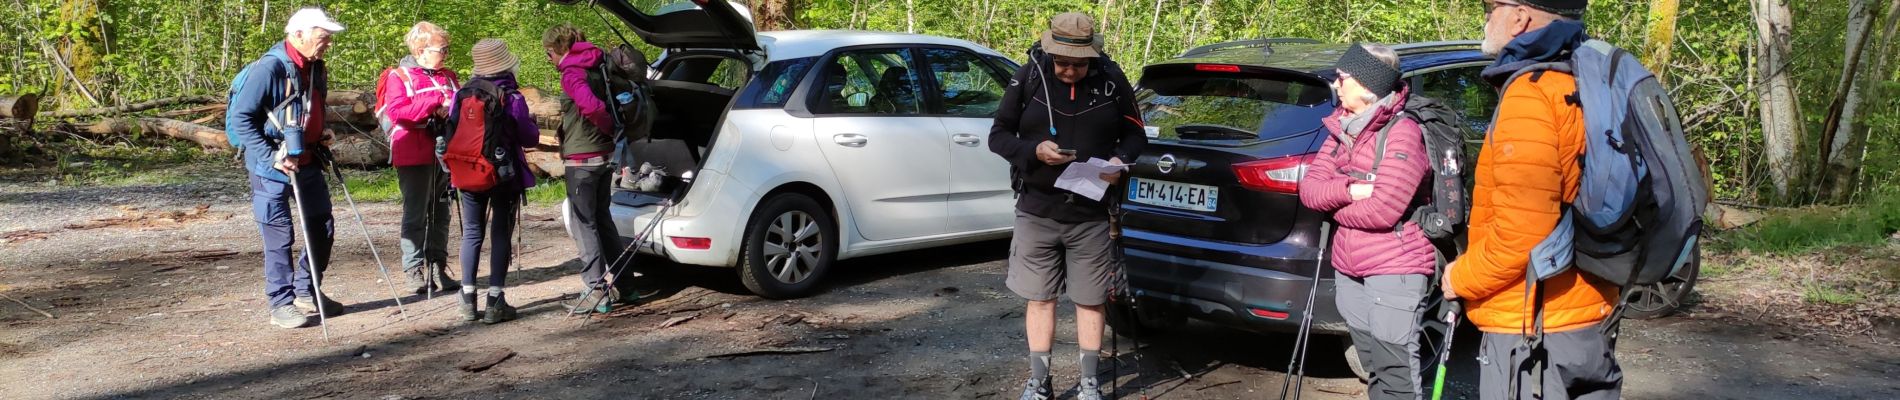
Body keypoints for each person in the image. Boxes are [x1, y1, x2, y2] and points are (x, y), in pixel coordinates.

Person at [1443, 1, 1623, 399]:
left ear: (1520, 17)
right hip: (1591, 309)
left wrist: (1459, 277)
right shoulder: (1588, 80)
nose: (1486, 18)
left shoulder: (1532, 93)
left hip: (1532, 325)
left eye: (1491, 8)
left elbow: (1520, 239)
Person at [988, 12, 1145, 400]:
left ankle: (1089, 383)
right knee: (1040, 299)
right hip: (1037, 210)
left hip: (1091, 214)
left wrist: (1118, 161)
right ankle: (1039, 381)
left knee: (1090, 302)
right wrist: (1032, 151)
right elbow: (998, 136)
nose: (1070, 70)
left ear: (1091, 56)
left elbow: (1136, 133)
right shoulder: (1029, 76)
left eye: (1078, 63)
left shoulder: (1111, 80)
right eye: (1063, 61)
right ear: (1050, 51)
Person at [1298, 43, 1436, 400]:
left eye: (1343, 78)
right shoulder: (1340, 131)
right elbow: (1310, 192)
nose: (1336, 84)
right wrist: (1350, 189)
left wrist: (1334, 205)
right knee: (1374, 366)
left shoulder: (1403, 132)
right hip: (1350, 265)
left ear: (1368, 85)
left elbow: (1383, 210)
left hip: (1396, 267)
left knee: (1397, 372)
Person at [226, 7, 345, 329]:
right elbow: (241, 118)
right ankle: (281, 303)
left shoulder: (316, 67)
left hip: (308, 160)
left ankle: (308, 290)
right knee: (279, 236)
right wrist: (270, 155)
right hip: (271, 168)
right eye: (323, 38)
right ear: (298, 35)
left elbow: (311, 107)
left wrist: (322, 131)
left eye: (329, 39)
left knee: (322, 226)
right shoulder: (268, 68)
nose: (327, 44)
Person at [543, 24, 632, 313]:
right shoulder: (599, 63)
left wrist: (606, 124)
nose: (549, 60)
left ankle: (596, 290)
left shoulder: (572, 72)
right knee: (602, 218)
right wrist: (611, 133)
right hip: (605, 155)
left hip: (582, 159)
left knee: (585, 224)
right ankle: (625, 284)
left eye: (549, 53)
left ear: (558, 48)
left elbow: (591, 107)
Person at [450, 38, 540, 324]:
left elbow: (452, 129)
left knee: (472, 232)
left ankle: (467, 299)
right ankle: (495, 301)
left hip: (468, 170)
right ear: (506, 64)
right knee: (501, 232)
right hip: (504, 173)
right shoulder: (512, 97)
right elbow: (529, 137)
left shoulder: (462, 94)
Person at [376, 21, 461, 295]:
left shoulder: (447, 76)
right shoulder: (398, 76)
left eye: (447, 49)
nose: (446, 54)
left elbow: (458, 105)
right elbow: (398, 112)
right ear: (422, 50)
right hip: (413, 150)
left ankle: (438, 264)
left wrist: (450, 110)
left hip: (444, 150)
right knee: (416, 213)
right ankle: (413, 269)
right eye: (442, 49)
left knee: (442, 211)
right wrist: (435, 103)